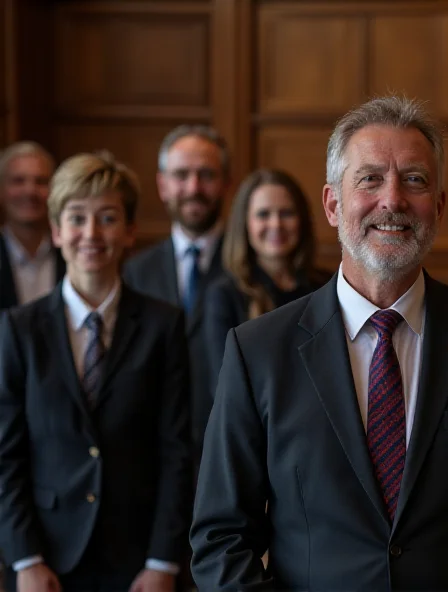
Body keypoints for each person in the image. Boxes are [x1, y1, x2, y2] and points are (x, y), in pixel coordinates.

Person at [190, 96, 448, 589]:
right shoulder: (258, 351)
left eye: (415, 180)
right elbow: (220, 537)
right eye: (369, 179)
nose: (393, 200)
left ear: (440, 206)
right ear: (333, 204)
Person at [0, 152, 192, 591]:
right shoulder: (19, 329)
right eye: (77, 218)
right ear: (56, 230)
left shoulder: (164, 325)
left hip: (139, 559)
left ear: (128, 232)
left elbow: (176, 450)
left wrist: (163, 561)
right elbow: (5, 455)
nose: (91, 233)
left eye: (107, 218)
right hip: (45, 557)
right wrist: (24, 559)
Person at [123, 125, 230, 466]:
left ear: (226, 182)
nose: (194, 188)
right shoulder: (134, 272)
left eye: (206, 175)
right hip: (152, 453)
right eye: (181, 175)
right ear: (162, 185)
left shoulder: (249, 270)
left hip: (227, 446)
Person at [205, 169, 330, 390]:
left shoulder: (327, 287)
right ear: (245, 223)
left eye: (286, 213)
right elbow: (225, 385)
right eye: (263, 214)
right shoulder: (224, 295)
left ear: (302, 220)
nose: (276, 224)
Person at [0, 142, 64, 311]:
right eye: (18, 181)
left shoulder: (71, 253)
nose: (30, 191)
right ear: (1, 190)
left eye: (41, 181)